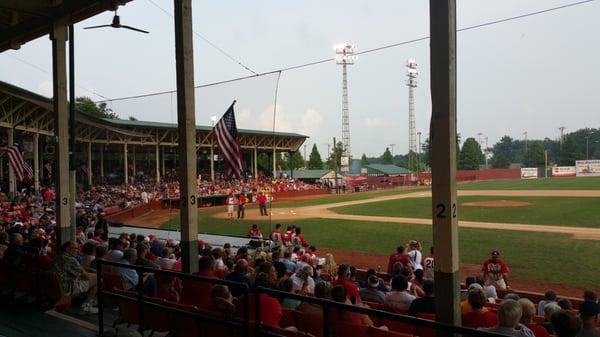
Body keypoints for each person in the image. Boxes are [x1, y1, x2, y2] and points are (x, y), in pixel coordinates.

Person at [49, 241, 98, 314]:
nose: (78, 251)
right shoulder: (70, 259)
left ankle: (89, 300)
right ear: (68, 249)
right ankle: (85, 306)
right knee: (98, 279)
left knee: (93, 277)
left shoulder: (57, 257)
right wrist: (97, 274)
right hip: (68, 289)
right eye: (75, 249)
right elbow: (85, 276)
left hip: (55, 287)